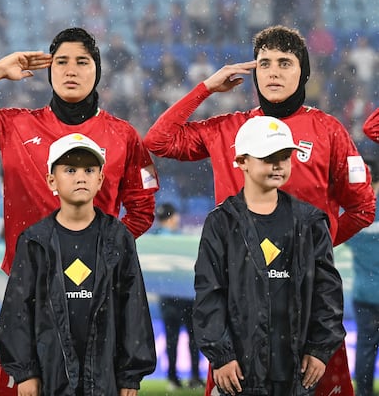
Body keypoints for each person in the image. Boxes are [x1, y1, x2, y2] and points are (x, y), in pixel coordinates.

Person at [144, 25, 373, 396]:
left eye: (285, 63)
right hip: (238, 301)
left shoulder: (329, 131)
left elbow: (362, 207)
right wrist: (205, 88)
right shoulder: (228, 129)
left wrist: (312, 249)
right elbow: (159, 141)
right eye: (264, 63)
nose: (273, 72)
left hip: (306, 303)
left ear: (304, 72)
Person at [0, 27, 158, 395]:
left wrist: (103, 253)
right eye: (61, 62)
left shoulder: (123, 136)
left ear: (97, 71)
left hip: (97, 299)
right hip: (29, 295)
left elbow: (142, 209)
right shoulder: (16, 125)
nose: (71, 70)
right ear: (49, 71)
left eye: (82, 62)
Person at [0, 133, 156, 396]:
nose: (81, 177)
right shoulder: (34, 240)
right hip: (49, 379)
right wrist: (26, 372)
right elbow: (17, 311)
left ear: (100, 179)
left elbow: (133, 308)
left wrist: (130, 376)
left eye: (89, 170)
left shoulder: (118, 237)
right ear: (51, 180)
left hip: (106, 380)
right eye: (70, 170)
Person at [193, 116, 345, 395]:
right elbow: (209, 294)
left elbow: (327, 292)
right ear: (241, 161)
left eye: (284, 157)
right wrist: (222, 355)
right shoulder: (221, 222)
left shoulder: (310, 221)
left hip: (297, 375)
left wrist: (319, 350)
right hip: (239, 376)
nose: (278, 165)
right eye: (268, 158)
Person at [151, 203, 202, 391]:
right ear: (173, 217)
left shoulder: (155, 240)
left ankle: (173, 378)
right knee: (193, 338)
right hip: (186, 295)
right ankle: (195, 377)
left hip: (167, 296)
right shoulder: (182, 239)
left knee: (172, 338)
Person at [348, 158, 379, 396]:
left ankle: (364, 393)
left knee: (366, 347)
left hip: (364, 292)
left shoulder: (354, 213)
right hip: (368, 291)